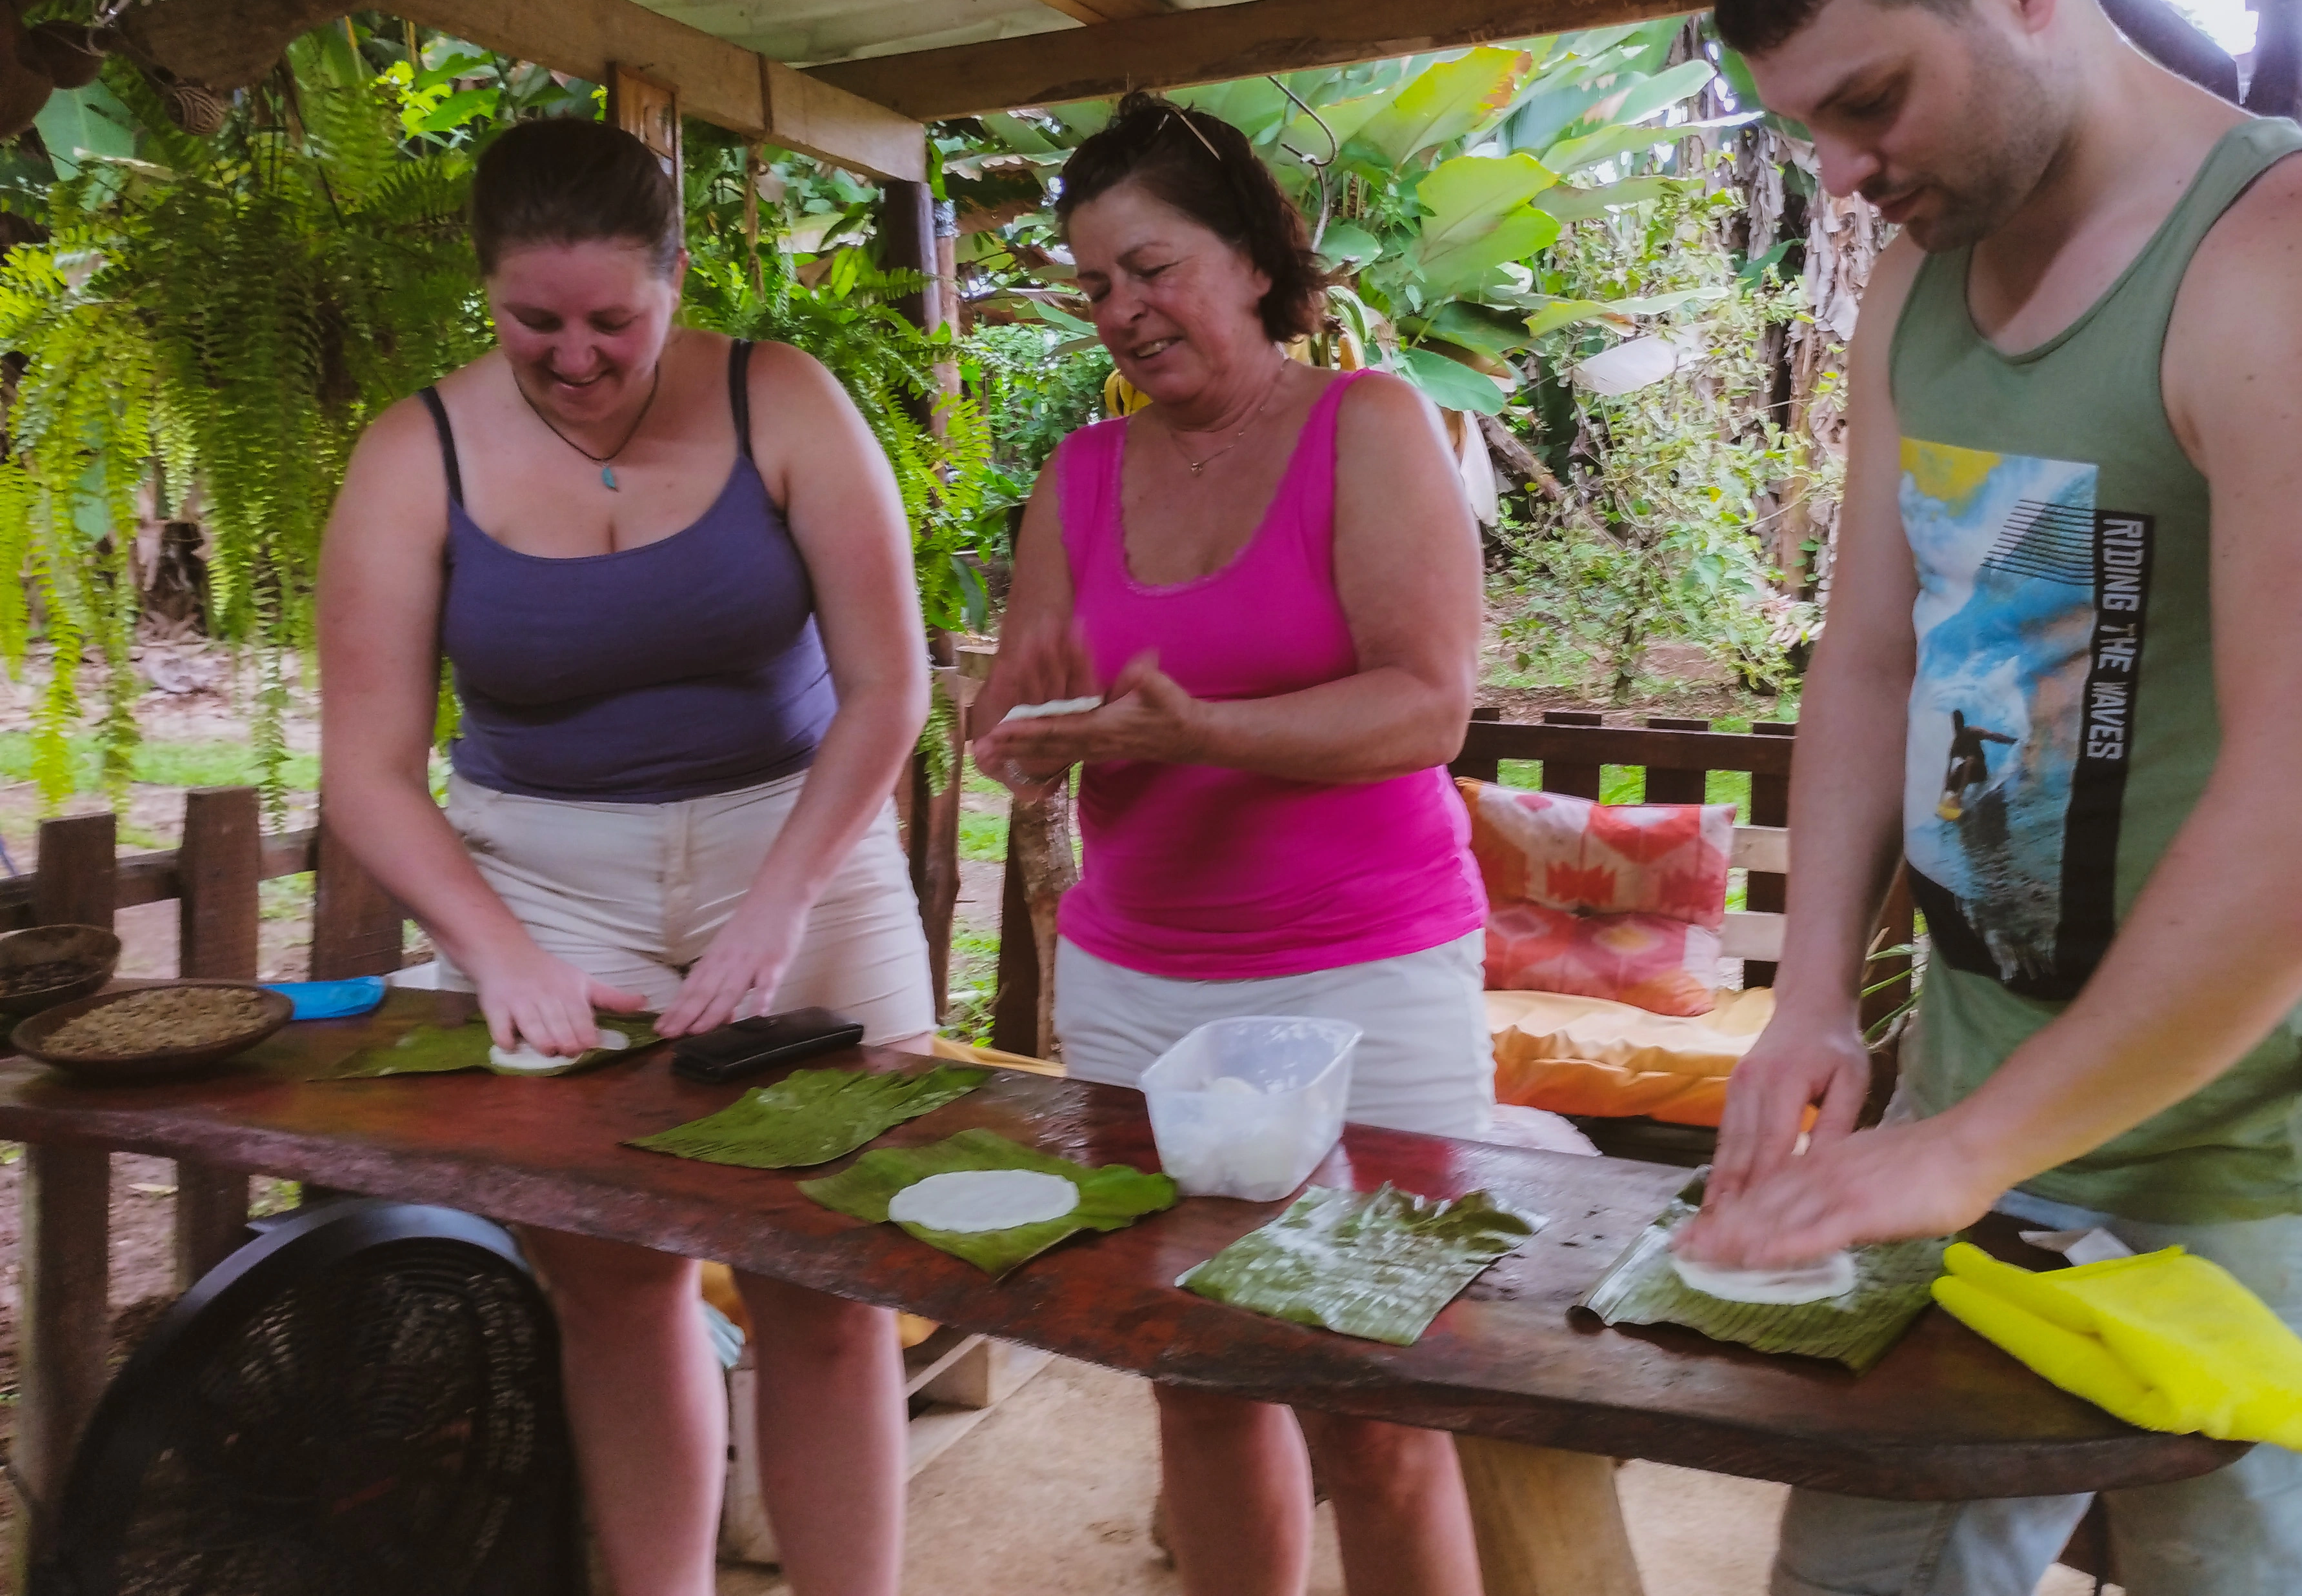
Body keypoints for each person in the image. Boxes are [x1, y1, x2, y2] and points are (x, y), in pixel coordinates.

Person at [1670, 0, 2302, 1596]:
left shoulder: (2301, 260)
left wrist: (1964, 1151)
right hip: (1972, 1110)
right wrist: (1813, 1004)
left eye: (1869, 100)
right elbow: (1873, 655)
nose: (1845, 170)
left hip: (2250, 1159)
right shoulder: (1916, 285)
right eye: (1808, 125)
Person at [317, 117, 935, 1596]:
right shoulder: (419, 449)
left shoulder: (783, 396)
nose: (578, 354)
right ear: (487, 293)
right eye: (536, 319)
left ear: (677, 279)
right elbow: (368, 768)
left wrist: (778, 905)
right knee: (611, 1281)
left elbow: (890, 687)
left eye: (615, 319)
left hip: (798, 844)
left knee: (832, 1276)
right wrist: (501, 951)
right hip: (543, 870)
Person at [970, 92, 1491, 1596]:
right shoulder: (1077, 474)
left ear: (1254, 262)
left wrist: (1197, 731)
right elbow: (1020, 721)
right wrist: (1022, 742)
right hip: (1141, 990)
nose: (1124, 311)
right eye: (1095, 286)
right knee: (1196, 1380)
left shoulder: (1369, 422)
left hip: (1371, 978)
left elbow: (1427, 707)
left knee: (1378, 1395)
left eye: (1153, 267)